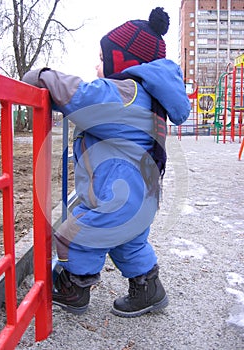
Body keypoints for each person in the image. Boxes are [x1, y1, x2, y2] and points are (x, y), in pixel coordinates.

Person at [23, 7, 190, 318]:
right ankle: (148, 290)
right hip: (142, 196)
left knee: (76, 235)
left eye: (101, 58)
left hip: (118, 196)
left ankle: (74, 287)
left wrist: (44, 76)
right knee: (129, 243)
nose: (96, 65)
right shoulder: (150, 99)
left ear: (123, 60)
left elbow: (82, 97)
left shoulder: (125, 92)